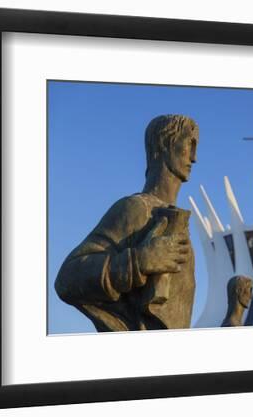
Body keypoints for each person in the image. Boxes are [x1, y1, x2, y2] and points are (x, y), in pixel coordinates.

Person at [55, 115, 199, 331]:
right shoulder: (136, 209)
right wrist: (138, 262)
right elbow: (67, 278)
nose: (194, 157)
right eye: (190, 144)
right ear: (164, 145)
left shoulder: (178, 223)